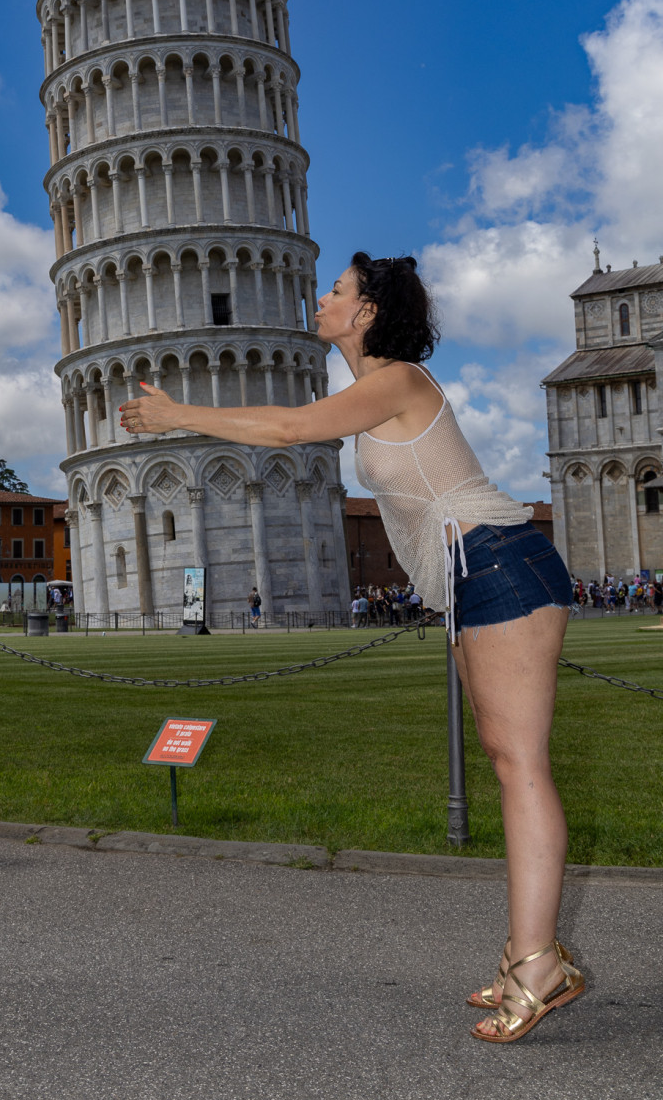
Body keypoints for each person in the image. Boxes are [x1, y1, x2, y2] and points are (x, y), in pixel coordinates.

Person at [119, 252, 584, 1043]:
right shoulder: (375, 391)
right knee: (507, 759)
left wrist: (178, 415)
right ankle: (524, 955)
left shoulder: (397, 381)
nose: (322, 297)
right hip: (477, 574)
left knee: (521, 766)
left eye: (336, 290)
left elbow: (290, 429)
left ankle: (540, 967)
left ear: (367, 311)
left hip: (501, 562)